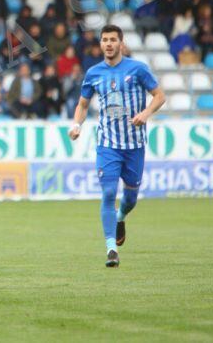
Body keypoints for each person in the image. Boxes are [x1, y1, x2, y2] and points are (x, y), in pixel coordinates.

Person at [69, 25, 166, 268]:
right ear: (100, 44)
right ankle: (111, 249)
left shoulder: (138, 69)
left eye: (113, 39)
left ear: (121, 43)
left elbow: (159, 96)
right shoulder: (93, 73)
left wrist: (145, 113)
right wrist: (76, 125)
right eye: (104, 40)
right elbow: (82, 105)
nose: (109, 44)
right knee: (109, 193)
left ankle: (121, 217)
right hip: (107, 145)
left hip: (134, 145)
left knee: (130, 198)